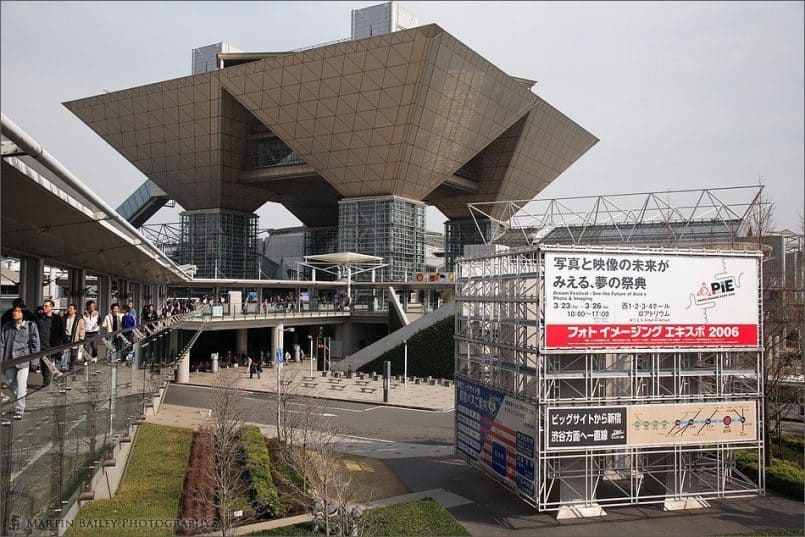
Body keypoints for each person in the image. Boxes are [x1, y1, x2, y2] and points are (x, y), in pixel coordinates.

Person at [1, 305, 40, 419]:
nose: (15, 313)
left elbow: (35, 344)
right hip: (9, 360)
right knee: (9, 382)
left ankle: (19, 409)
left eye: (18, 311)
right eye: (14, 311)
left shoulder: (31, 326)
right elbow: (2, 344)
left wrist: (35, 361)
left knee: (21, 384)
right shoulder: (7, 326)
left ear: (23, 314)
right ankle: (21, 396)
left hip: (24, 360)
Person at [35, 299, 64, 386]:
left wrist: (65, 344)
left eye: (46, 306)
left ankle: (47, 381)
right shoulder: (39, 318)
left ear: (51, 307)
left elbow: (61, 332)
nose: (44, 307)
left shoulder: (57, 319)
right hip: (41, 344)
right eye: (43, 306)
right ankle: (46, 380)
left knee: (49, 363)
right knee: (44, 364)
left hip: (52, 345)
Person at [61, 303, 85, 371]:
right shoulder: (64, 317)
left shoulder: (79, 319)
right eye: (69, 308)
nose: (69, 310)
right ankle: (63, 366)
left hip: (74, 337)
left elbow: (82, 328)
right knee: (64, 352)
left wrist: (81, 338)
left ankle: (71, 366)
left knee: (73, 354)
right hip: (66, 337)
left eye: (71, 309)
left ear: (75, 310)